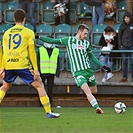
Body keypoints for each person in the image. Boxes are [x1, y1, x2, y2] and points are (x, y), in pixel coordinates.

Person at [35, 24, 112, 114]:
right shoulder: (69, 40)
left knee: (93, 91)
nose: (86, 36)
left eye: (87, 34)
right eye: (85, 34)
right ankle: (97, 107)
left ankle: (92, 99)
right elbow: (53, 40)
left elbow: (91, 56)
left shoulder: (86, 43)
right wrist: (39, 37)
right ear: (79, 32)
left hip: (88, 71)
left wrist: (103, 66)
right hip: (78, 72)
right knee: (87, 90)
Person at [0, 9, 60, 118]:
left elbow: (2, 50)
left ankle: (49, 112)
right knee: (39, 84)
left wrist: (2, 67)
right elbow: (32, 52)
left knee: (5, 86)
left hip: (9, 64)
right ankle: (48, 112)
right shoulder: (28, 32)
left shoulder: (6, 33)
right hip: (22, 64)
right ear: (24, 19)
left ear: (14, 19)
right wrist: (36, 69)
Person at [118, 11, 133, 82]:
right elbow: (119, 36)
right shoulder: (122, 26)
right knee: (124, 62)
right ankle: (124, 77)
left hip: (131, 47)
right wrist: (120, 45)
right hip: (123, 46)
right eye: (125, 18)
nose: (126, 19)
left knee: (132, 62)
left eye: (128, 18)